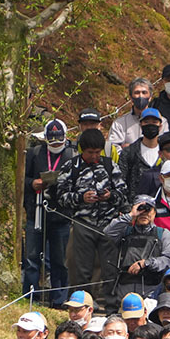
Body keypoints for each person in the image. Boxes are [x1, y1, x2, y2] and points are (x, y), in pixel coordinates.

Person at [59, 128, 129, 311]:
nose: (94, 156)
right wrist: (81, 198)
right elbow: (61, 197)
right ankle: (81, 306)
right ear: (82, 150)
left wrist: (109, 196)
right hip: (83, 223)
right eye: (90, 153)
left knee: (109, 268)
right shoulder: (70, 167)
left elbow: (123, 194)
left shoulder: (110, 165)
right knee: (81, 269)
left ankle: (111, 307)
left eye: (97, 152)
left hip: (109, 224)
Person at [22, 119, 74, 306]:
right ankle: (30, 296)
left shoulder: (71, 155)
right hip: (36, 211)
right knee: (32, 257)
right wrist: (32, 183)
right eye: (52, 142)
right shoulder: (35, 154)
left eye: (59, 142)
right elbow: (23, 178)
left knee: (60, 260)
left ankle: (59, 298)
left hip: (61, 215)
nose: (56, 145)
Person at [108, 78, 155, 152]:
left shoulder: (161, 121)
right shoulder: (119, 124)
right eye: (137, 93)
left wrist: (130, 148)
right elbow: (113, 148)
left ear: (150, 97)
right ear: (131, 97)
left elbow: (164, 147)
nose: (140, 96)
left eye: (144, 92)